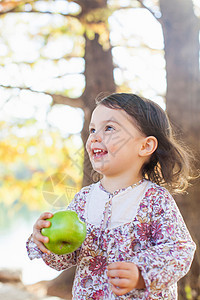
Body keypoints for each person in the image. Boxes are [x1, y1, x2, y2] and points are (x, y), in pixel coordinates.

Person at [26, 93, 196, 299]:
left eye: (109, 128)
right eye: (92, 130)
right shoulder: (84, 200)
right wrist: (44, 241)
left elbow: (180, 250)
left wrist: (143, 273)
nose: (95, 137)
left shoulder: (155, 199)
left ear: (145, 146)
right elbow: (65, 258)